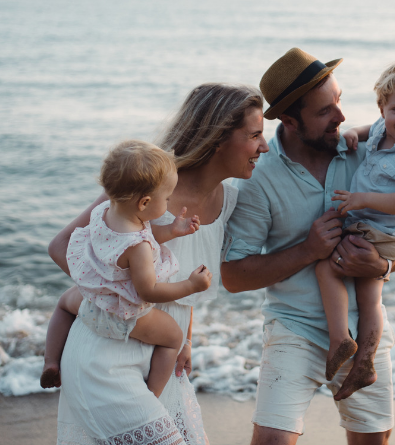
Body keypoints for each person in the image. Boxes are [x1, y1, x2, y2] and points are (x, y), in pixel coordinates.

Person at [221, 48, 395, 445]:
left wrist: (379, 267)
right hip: (293, 328)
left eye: (339, 100)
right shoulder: (258, 176)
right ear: (291, 121)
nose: (342, 117)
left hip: (365, 328)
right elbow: (232, 276)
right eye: (324, 111)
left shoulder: (367, 155)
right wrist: (307, 250)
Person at [49, 83, 268, 445]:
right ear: (217, 139)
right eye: (255, 134)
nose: (264, 146)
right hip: (105, 362)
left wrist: (187, 341)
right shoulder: (146, 188)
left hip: (163, 369)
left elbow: (188, 278)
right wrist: (118, 304)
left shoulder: (227, 200)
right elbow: (62, 246)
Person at [40, 139, 213, 400]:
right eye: (166, 198)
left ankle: (51, 361)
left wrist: (172, 230)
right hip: (121, 316)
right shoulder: (139, 247)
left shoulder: (103, 212)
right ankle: (152, 396)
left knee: (64, 304)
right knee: (172, 338)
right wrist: (191, 285)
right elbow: (149, 290)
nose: (168, 203)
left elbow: (136, 233)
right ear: (144, 203)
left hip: (91, 301)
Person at [318, 61, 395, 397]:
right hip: (374, 227)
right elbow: (368, 129)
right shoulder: (381, 130)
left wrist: (361, 199)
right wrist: (353, 135)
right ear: (382, 109)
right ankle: (362, 363)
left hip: (386, 233)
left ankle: (344, 341)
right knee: (366, 295)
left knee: (329, 269)